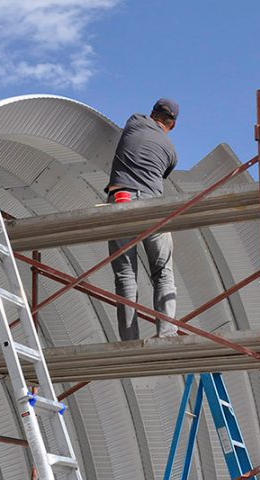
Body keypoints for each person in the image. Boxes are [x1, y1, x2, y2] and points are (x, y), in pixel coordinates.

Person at [105, 98, 179, 341]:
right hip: (152, 207)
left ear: (152, 113)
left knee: (125, 276)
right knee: (163, 272)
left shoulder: (135, 121)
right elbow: (163, 173)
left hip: (122, 199)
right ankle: (167, 332)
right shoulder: (171, 152)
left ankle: (129, 339)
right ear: (173, 125)